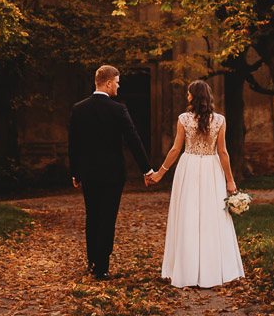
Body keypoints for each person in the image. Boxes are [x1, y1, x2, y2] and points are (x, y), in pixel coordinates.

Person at [146, 79, 245, 288]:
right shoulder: (219, 120)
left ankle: (187, 271)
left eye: (188, 93)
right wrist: (230, 180)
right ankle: (213, 270)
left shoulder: (183, 119)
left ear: (193, 96)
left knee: (187, 216)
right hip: (211, 168)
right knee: (213, 218)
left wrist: (160, 174)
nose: (186, 96)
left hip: (189, 167)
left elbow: (175, 149)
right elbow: (223, 152)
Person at [68, 64, 155, 280]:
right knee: (107, 218)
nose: (118, 86)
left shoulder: (79, 108)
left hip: (88, 173)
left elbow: (74, 144)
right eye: (116, 82)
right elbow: (134, 140)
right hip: (112, 175)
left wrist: (75, 172)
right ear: (107, 83)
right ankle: (101, 268)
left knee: (92, 216)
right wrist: (147, 169)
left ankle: (92, 261)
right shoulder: (118, 109)